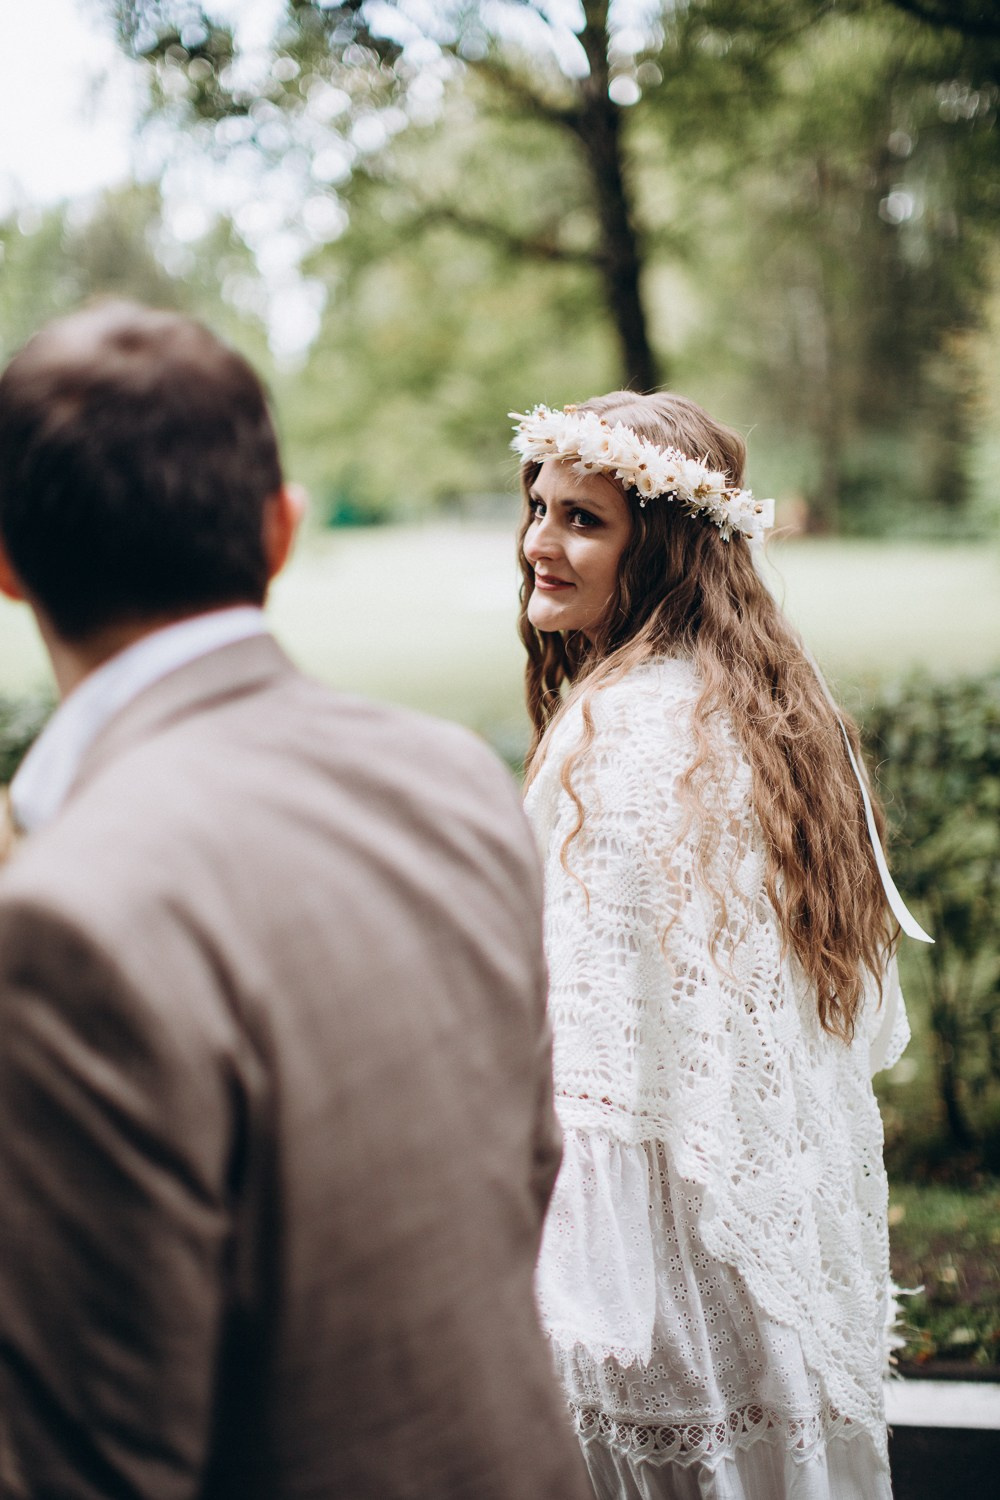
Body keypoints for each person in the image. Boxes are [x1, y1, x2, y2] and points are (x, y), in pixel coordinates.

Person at [0, 301, 593, 1500]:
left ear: (6, 564)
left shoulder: (62, 924)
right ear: (282, 530)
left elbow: (90, 1457)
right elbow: (526, 1171)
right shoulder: (450, 776)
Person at [511, 392, 925, 1500]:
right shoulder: (771, 711)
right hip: (766, 1275)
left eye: (583, 521)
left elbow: (591, 1079)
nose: (539, 544)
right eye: (539, 508)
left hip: (659, 1296)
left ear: (666, 549)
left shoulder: (618, 736)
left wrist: (560, 1307)